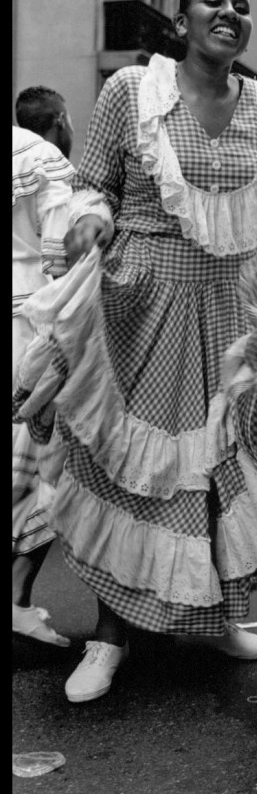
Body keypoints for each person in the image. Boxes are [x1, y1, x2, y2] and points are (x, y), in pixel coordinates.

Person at [12, 0, 257, 703]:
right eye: (213, 0)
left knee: (224, 464)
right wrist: (91, 219)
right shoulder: (133, 90)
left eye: (241, 5)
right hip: (145, 303)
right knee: (138, 471)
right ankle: (109, 638)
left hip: (231, 305)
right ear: (182, 20)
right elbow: (94, 183)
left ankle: (218, 614)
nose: (229, 12)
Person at [12, 87, 76, 647]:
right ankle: (16, 601)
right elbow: (60, 263)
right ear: (59, 120)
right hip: (29, 330)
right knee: (38, 469)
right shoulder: (44, 158)